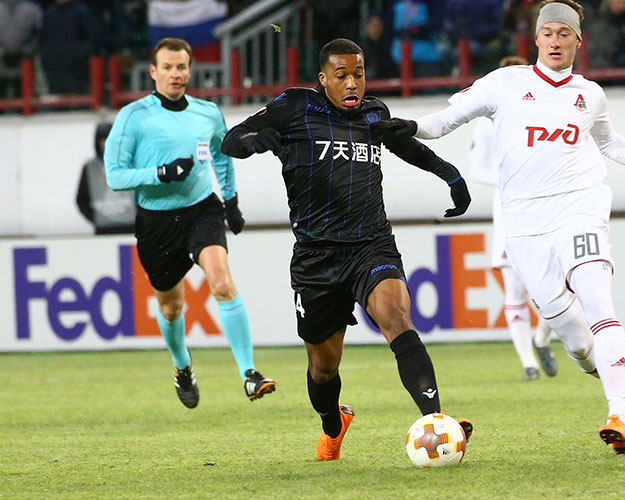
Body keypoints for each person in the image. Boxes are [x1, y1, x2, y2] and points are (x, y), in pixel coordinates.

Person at [375, 0, 625, 455]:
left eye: (565, 34)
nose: (555, 41)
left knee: (598, 302)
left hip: (579, 209)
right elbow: (447, 119)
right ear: (536, 38)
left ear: (579, 41)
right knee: (575, 340)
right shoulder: (505, 83)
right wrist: (410, 126)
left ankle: (617, 417)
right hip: (524, 224)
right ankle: (621, 385)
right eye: (548, 33)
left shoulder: (589, 94)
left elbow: (609, 142)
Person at [221, 38, 473, 461]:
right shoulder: (296, 106)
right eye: (342, 76)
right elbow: (232, 139)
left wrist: (451, 176)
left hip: (371, 244)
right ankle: (332, 424)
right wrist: (255, 141)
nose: (352, 83)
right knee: (323, 369)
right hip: (316, 257)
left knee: (396, 318)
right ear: (323, 79)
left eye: (358, 74)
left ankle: (437, 420)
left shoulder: (374, 113)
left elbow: (404, 144)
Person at [104, 37, 275, 409]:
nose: (175, 74)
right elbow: (114, 175)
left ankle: (249, 373)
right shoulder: (133, 117)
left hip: (201, 210)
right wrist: (160, 173)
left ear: (189, 70)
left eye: (181, 67)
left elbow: (222, 155)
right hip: (156, 222)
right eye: (167, 67)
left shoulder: (207, 113)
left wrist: (230, 202)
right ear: (153, 72)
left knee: (222, 282)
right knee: (171, 308)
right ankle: (182, 366)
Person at [467, 54, 557, 381]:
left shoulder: (546, 113)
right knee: (515, 290)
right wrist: (508, 180)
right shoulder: (487, 122)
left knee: (558, 286)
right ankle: (528, 362)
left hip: (547, 208)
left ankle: (541, 338)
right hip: (509, 212)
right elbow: (476, 169)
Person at [77, 121, 136, 235]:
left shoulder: (130, 163)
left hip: (130, 227)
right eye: (103, 140)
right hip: (104, 229)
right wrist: (97, 218)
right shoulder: (90, 167)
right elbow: (81, 199)